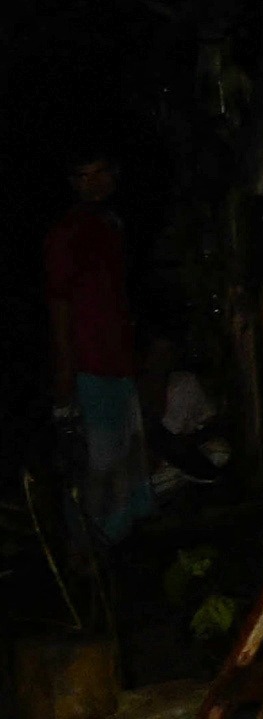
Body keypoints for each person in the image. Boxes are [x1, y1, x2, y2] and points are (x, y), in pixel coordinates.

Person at [42, 156, 145, 544]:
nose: (94, 183)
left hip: (117, 360)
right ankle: (86, 552)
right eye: (83, 175)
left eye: (101, 172)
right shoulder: (68, 232)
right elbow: (59, 301)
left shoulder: (113, 225)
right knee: (93, 465)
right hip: (89, 362)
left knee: (122, 461)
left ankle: (116, 548)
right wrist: (66, 367)